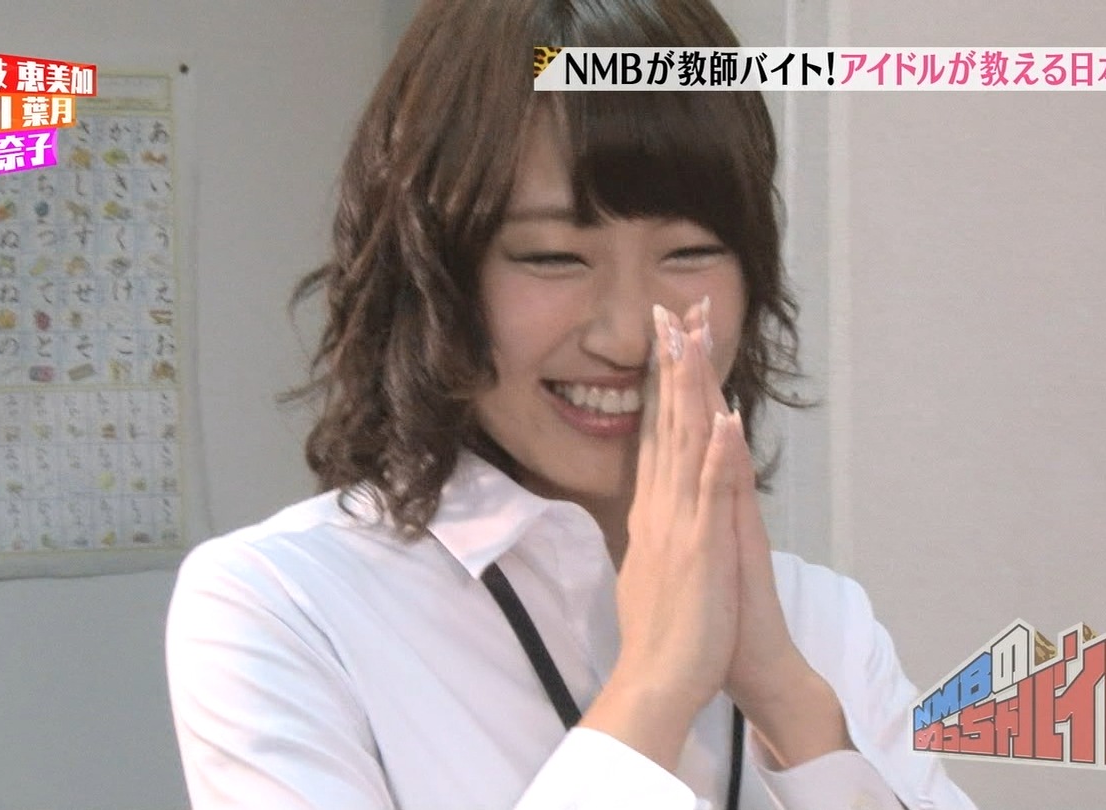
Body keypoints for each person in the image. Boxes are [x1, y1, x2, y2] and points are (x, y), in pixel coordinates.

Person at [165, 1, 979, 808]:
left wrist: (791, 705)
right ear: (432, 275)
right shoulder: (282, 606)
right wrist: (656, 683)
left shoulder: (821, 618)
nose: (627, 337)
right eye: (553, 257)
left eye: (690, 251)